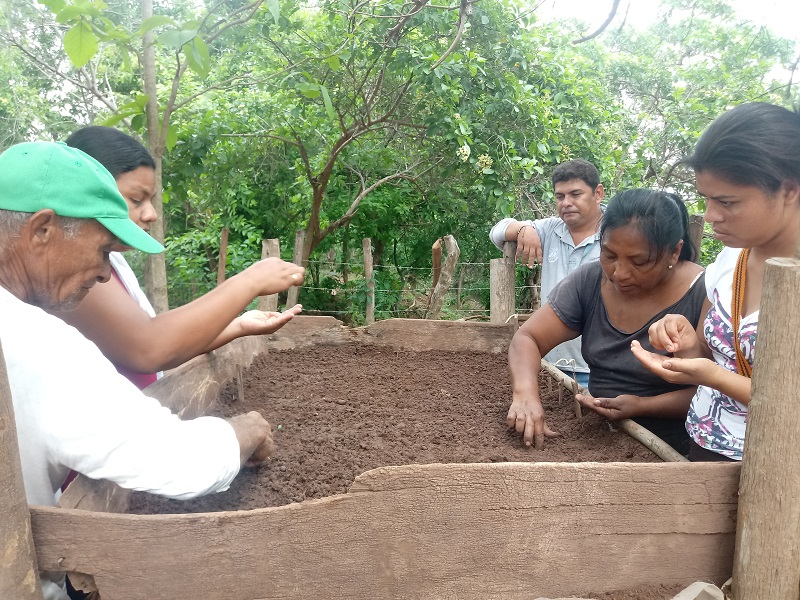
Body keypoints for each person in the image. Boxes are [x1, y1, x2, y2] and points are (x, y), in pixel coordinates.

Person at [0, 141, 286, 600]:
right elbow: (179, 462)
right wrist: (243, 431)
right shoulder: (38, 344)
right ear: (41, 230)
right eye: (103, 251)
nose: (102, 273)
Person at [54, 126, 304, 388]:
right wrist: (250, 280)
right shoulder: (72, 268)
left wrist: (239, 326)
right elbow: (148, 347)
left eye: (150, 200)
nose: (151, 214)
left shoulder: (112, 258)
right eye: (136, 200)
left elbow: (163, 342)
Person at [632, 102, 800, 462]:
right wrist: (685, 340)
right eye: (707, 199)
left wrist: (712, 377)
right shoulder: (731, 259)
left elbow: (789, 401)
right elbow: (709, 355)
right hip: (705, 447)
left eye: (727, 201)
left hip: (774, 469)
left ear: (788, 190)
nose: (710, 217)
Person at [506, 189, 706, 454]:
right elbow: (528, 338)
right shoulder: (590, 280)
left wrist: (642, 405)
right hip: (600, 432)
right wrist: (525, 394)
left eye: (639, 262)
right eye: (609, 255)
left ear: (674, 252)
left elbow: (715, 389)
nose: (619, 273)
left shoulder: (705, 292)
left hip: (676, 447)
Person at [489, 159, 605, 388]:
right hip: (551, 364)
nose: (567, 203)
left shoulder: (618, 232)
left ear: (598, 193)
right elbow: (497, 231)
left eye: (575, 194)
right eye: (560, 196)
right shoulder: (551, 230)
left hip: (599, 369)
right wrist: (525, 228)